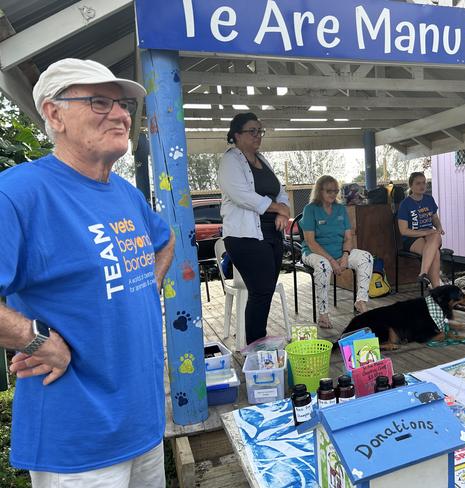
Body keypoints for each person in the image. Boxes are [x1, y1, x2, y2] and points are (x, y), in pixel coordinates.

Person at [0, 58, 175, 486]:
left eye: (122, 105)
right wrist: (37, 340)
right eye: (99, 102)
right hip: (78, 440)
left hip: (144, 423)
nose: (120, 115)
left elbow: (165, 239)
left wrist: (146, 286)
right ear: (54, 113)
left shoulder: (125, 194)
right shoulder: (17, 193)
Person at [218, 112, 290, 344]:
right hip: (245, 236)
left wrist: (283, 209)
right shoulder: (231, 160)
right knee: (260, 291)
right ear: (237, 135)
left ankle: (258, 341)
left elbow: (280, 191)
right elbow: (242, 196)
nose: (258, 135)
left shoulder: (263, 160)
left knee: (266, 291)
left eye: (260, 131)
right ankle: (255, 345)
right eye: (252, 131)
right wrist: (277, 207)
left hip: (271, 234)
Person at [301, 175, 374, 328]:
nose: (333, 194)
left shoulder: (341, 209)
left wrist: (346, 255)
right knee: (323, 266)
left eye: (336, 191)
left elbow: (348, 237)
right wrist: (333, 261)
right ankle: (323, 313)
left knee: (366, 257)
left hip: (340, 251)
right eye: (329, 191)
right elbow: (311, 242)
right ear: (319, 191)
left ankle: (360, 301)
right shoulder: (310, 209)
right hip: (314, 253)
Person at [397, 172, 445, 288]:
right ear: (411, 186)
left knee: (435, 235)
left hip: (430, 235)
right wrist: (426, 232)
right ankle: (436, 288)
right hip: (412, 238)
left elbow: (434, 218)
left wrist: (439, 228)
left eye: (424, 183)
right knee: (435, 253)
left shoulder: (429, 199)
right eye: (418, 183)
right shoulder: (405, 204)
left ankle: (423, 273)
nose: (422, 186)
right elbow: (404, 231)